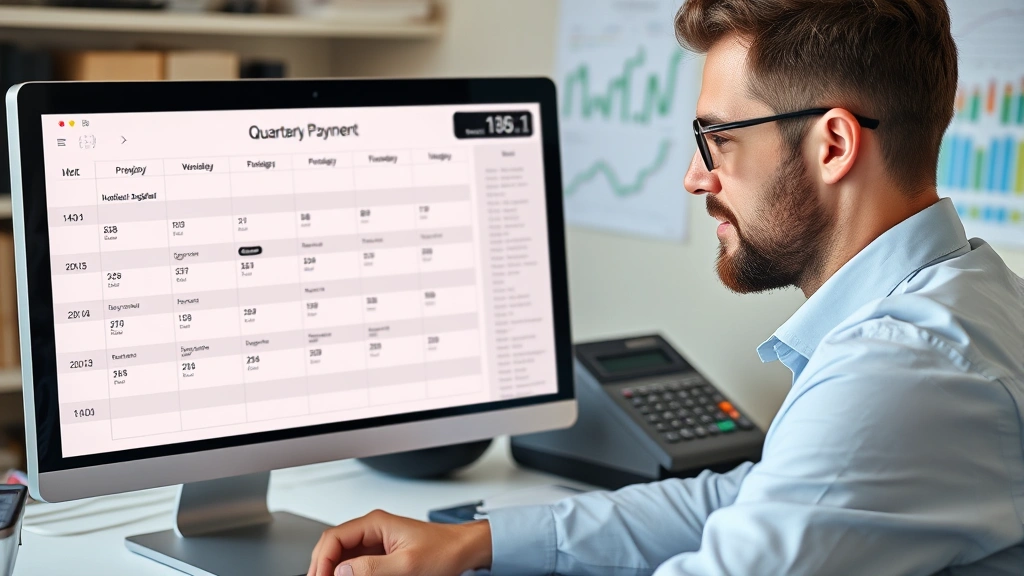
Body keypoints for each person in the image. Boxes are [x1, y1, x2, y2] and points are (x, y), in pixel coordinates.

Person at [308, 0, 1024, 574]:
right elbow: (746, 500)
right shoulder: (968, 291)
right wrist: (480, 543)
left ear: (833, 145)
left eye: (719, 139)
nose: (694, 175)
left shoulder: (903, 365)